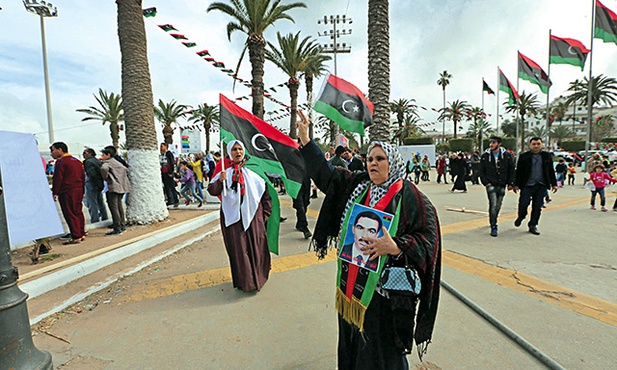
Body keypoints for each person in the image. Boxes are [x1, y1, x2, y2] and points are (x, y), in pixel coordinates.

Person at [297, 110, 441, 369]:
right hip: (352, 288)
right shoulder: (358, 186)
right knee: (355, 350)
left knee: (384, 353)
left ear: (393, 162)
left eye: (380, 159)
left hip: (386, 296)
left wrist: (396, 246)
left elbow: (428, 241)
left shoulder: (412, 198)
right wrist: (307, 141)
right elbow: (327, 175)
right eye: (369, 159)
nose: (372, 164)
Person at [207, 140, 272, 292]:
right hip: (233, 219)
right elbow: (212, 190)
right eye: (234, 150)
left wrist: (265, 214)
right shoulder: (225, 172)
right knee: (239, 251)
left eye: (240, 149)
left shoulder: (253, 173)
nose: (238, 152)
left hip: (253, 217)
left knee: (256, 247)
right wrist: (220, 180)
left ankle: (258, 279)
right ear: (230, 153)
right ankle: (246, 283)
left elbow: (264, 193)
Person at [513, 137, 558, 235]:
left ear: (541, 144)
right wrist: (516, 184)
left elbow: (550, 170)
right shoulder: (524, 156)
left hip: (541, 186)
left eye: (538, 144)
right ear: (530, 145)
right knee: (523, 204)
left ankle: (533, 225)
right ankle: (521, 216)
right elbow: (519, 171)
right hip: (527, 185)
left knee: (537, 207)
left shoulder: (547, 156)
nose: (536, 146)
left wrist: (554, 184)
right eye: (534, 144)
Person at [478, 136, 515, 237]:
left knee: (498, 205)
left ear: (499, 144)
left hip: (502, 184)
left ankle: (493, 218)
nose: (491, 145)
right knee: (493, 204)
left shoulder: (507, 155)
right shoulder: (485, 156)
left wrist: (511, 183)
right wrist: (486, 182)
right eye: (490, 143)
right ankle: (494, 225)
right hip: (490, 184)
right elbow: (481, 170)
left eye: (494, 143)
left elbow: (511, 170)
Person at [50, 142, 86, 245]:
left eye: (53, 150)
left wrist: (55, 192)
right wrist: (83, 190)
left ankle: (76, 236)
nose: (52, 153)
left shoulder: (61, 162)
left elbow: (58, 178)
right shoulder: (77, 161)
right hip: (78, 189)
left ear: (60, 149)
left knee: (70, 212)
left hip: (67, 190)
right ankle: (81, 232)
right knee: (78, 211)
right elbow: (83, 177)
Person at [100, 146, 130, 236]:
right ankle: (122, 224)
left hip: (113, 187)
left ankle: (117, 228)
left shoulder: (107, 162)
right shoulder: (117, 162)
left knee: (114, 207)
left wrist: (106, 177)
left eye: (103, 154)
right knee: (119, 206)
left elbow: (103, 169)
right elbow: (126, 169)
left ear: (108, 155)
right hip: (122, 187)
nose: (102, 156)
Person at [82, 148, 108, 224]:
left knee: (92, 203)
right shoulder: (97, 161)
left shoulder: (88, 162)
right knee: (101, 203)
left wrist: (94, 184)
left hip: (91, 184)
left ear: (89, 153)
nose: (83, 155)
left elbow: (92, 174)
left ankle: (95, 220)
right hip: (99, 184)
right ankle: (104, 217)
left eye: (85, 153)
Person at [293, 175, 312, 239]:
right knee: (300, 207)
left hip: (305, 182)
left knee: (305, 204)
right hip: (295, 183)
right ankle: (305, 228)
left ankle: (299, 223)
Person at [160, 142, 179, 207]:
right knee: (167, 187)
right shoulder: (162, 155)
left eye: (162, 146)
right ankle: (170, 200)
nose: (161, 148)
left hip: (168, 173)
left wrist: (171, 172)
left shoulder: (169, 154)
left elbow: (171, 163)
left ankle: (176, 200)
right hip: (164, 173)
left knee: (172, 186)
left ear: (166, 146)